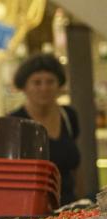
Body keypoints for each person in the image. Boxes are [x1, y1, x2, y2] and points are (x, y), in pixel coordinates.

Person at [9, 53, 80, 204]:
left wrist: (83, 200)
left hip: (70, 207)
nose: (44, 88)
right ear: (24, 87)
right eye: (37, 82)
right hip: (31, 210)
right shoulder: (14, 122)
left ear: (59, 85)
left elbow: (76, 169)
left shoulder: (68, 116)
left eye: (50, 81)